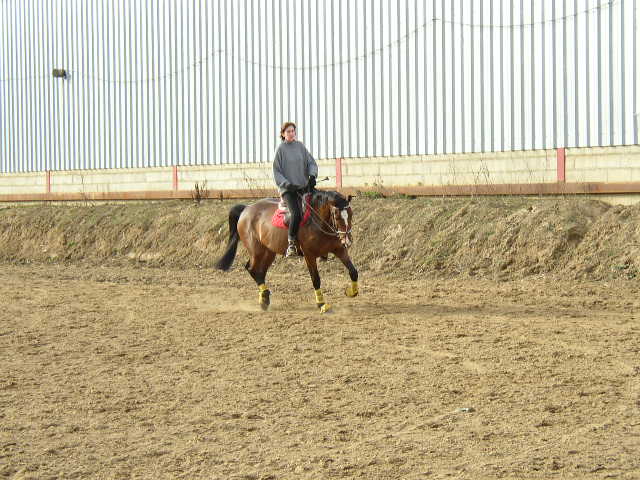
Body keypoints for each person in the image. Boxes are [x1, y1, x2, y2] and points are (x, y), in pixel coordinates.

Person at [273, 122, 318, 257]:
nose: (291, 133)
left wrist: (312, 175)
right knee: (296, 214)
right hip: (288, 190)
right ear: (283, 134)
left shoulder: (300, 146)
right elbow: (276, 171)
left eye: (293, 131)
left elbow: (311, 162)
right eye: (288, 131)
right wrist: (287, 184)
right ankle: (291, 244)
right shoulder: (280, 149)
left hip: (303, 187)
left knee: (318, 207)